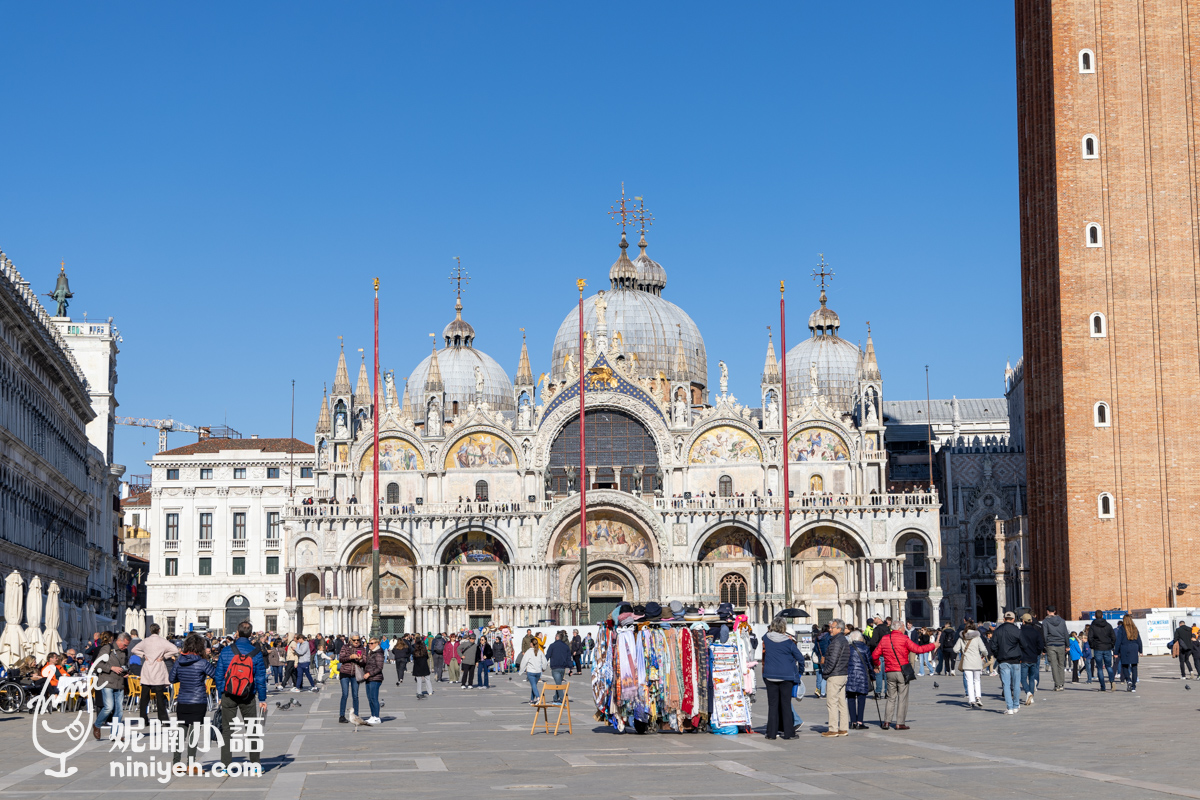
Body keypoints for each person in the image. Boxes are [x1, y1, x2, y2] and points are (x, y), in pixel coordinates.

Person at [214, 621, 268, 768]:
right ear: (251, 634)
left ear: (237, 633)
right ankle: (255, 763)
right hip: (248, 695)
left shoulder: (226, 651)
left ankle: (225, 765)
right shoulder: (255, 653)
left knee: (227, 730)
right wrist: (262, 698)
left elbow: (218, 675)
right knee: (252, 729)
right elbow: (260, 678)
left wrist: (221, 694)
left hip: (229, 695)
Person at [872, 623, 937, 730]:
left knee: (890, 697)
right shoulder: (904, 638)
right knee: (902, 697)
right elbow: (918, 649)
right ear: (898, 628)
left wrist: (877, 664)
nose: (904, 629)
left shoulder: (884, 639)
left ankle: (887, 722)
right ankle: (900, 723)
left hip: (889, 672)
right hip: (902, 671)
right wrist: (933, 645)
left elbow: (875, 655)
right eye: (903, 627)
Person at [169, 633, 214, 767]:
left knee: (181, 732)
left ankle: (176, 762)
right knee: (194, 733)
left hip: (183, 700)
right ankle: (191, 763)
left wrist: (182, 677)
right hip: (198, 701)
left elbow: (171, 679)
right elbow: (216, 674)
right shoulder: (202, 662)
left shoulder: (179, 662)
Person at [762, 616, 805, 740]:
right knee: (785, 705)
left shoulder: (766, 638)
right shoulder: (788, 642)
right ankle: (788, 733)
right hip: (786, 677)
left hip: (770, 676)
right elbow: (800, 658)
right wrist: (799, 672)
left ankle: (771, 733)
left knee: (773, 705)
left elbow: (765, 634)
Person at [131, 623, 179, 726]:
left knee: (144, 697)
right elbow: (175, 650)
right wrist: (164, 656)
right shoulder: (163, 641)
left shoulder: (145, 641)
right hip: (158, 668)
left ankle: (143, 719)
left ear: (150, 630)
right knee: (160, 697)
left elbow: (134, 649)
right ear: (159, 630)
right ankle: (164, 720)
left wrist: (143, 655)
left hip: (147, 668)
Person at [92, 632, 130, 739]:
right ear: (119, 641)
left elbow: (126, 664)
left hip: (119, 682)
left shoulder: (125, 651)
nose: (126, 647)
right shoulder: (107, 648)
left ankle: (115, 734)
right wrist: (112, 668)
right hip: (107, 681)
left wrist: (127, 671)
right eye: (125, 645)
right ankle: (97, 725)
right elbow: (98, 663)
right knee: (109, 707)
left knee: (119, 710)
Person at [819, 618, 850, 738]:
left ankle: (833, 729)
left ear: (839, 629)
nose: (830, 629)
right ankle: (843, 728)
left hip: (835, 675)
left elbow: (833, 660)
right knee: (842, 703)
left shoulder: (837, 642)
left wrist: (825, 672)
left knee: (832, 702)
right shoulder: (843, 640)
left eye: (832, 627)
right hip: (842, 673)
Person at [992, 611, 1023, 714]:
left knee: (1006, 684)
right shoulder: (1017, 630)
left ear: (1004, 619)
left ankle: (1009, 708)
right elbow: (1024, 644)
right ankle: (1016, 705)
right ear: (1013, 619)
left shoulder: (998, 631)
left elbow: (993, 646)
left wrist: (998, 655)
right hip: (1015, 660)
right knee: (1016, 684)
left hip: (1003, 659)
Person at [953, 623, 989, 708]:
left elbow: (955, 649)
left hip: (967, 662)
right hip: (976, 662)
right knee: (977, 680)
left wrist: (962, 652)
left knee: (969, 682)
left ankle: (971, 700)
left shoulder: (962, 638)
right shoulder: (977, 638)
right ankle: (978, 698)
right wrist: (985, 654)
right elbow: (983, 649)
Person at [845, 630, 875, 730]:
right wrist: (872, 675)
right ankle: (860, 721)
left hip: (850, 676)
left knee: (851, 699)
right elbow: (869, 663)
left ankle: (853, 721)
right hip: (862, 676)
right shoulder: (865, 648)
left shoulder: (848, 648)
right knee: (861, 699)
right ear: (860, 638)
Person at [338, 633, 366, 723]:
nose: (356, 642)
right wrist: (350, 657)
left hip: (355, 674)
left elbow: (364, 662)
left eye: (358, 640)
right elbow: (341, 658)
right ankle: (342, 716)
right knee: (345, 694)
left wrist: (361, 659)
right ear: (350, 640)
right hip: (345, 673)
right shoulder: (345, 647)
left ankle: (356, 715)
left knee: (355, 695)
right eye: (354, 640)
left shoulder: (362, 648)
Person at [1018, 613, 1045, 706]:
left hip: (1024, 658)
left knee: (1023, 678)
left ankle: (1028, 692)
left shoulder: (1020, 632)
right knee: (1032, 678)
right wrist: (1037, 652)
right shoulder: (1036, 632)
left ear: (1023, 621)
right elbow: (1041, 645)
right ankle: (1032, 696)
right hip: (1034, 657)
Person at [1087, 611, 1117, 692]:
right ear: (1102, 616)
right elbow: (1113, 637)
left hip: (1098, 648)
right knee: (1108, 666)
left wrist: (1092, 646)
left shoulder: (1093, 626)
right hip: (1107, 647)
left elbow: (1090, 638)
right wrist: (1111, 645)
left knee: (1100, 668)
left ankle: (1103, 686)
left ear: (1095, 616)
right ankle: (1112, 681)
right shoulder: (1108, 625)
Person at [1041, 605, 1068, 691]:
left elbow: (1044, 635)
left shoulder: (1045, 622)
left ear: (1047, 612)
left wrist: (1045, 646)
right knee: (1061, 665)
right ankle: (1062, 684)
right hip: (1061, 644)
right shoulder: (1062, 621)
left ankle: (1057, 685)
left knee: (1054, 665)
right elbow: (1066, 633)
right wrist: (1067, 645)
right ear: (1055, 611)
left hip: (1051, 644)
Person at [1114, 615, 1142, 692]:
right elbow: (1139, 640)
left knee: (1125, 666)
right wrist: (1141, 650)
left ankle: (1128, 680)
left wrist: (1116, 652)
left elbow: (1118, 641)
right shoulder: (1135, 628)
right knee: (1134, 667)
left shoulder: (1122, 629)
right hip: (1134, 648)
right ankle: (1133, 686)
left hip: (1124, 648)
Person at [519, 636, 549, 704]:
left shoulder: (529, 652)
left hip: (531, 672)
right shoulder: (540, 651)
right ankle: (532, 699)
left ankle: (538, 697)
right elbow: (544, 661)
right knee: (534, 685)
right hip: (538, 672)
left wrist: (521, 670)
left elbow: (524, 661)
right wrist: (544, 668)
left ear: (531, 644)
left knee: (533, 685)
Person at [546, 630, 573, 704]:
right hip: (562, 668)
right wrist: (570, 668)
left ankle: (562, 699)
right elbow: (569, 658)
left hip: (555, 668)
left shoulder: (552, 646)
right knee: (559, 683)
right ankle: (555, 697)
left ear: (557, 637)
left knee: (558, 685)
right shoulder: (566, 647)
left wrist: (543, 665)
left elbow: (547, 656)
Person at [362, 637, 385, 724]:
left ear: (377, 643)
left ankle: (377, 717)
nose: (370, 645)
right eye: (369, 643)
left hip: (375, 678)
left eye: (372, 643)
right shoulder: (371, 652)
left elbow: (379, 667)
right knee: (370, 698)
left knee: (374, 698)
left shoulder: (378, 653)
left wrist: (369, 673)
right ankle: (373, 715)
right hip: (369, 678)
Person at [811, 624, 828, 698]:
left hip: (821, 659)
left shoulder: (818, 637)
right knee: (826, 676)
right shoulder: (828, 637)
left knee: (820, 676)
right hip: (827, 658)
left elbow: (815, 649)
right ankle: (823, 692)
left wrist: (819, 655)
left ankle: (819, 691)